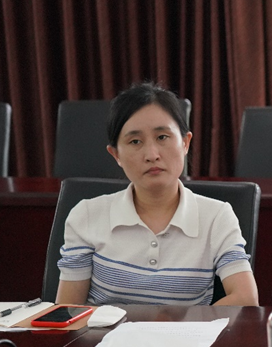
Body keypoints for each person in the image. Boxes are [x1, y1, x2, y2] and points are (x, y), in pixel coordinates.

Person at [56, 82, 259, 306]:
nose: (152, 155)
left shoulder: (217, 216)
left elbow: (246, 298)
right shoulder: (86, 215)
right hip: (107, 331)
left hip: (188, 330)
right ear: (116, 155)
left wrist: (175, 326)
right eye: (135, 141)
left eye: (162, 137)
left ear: (185, 143)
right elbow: (67, 311)